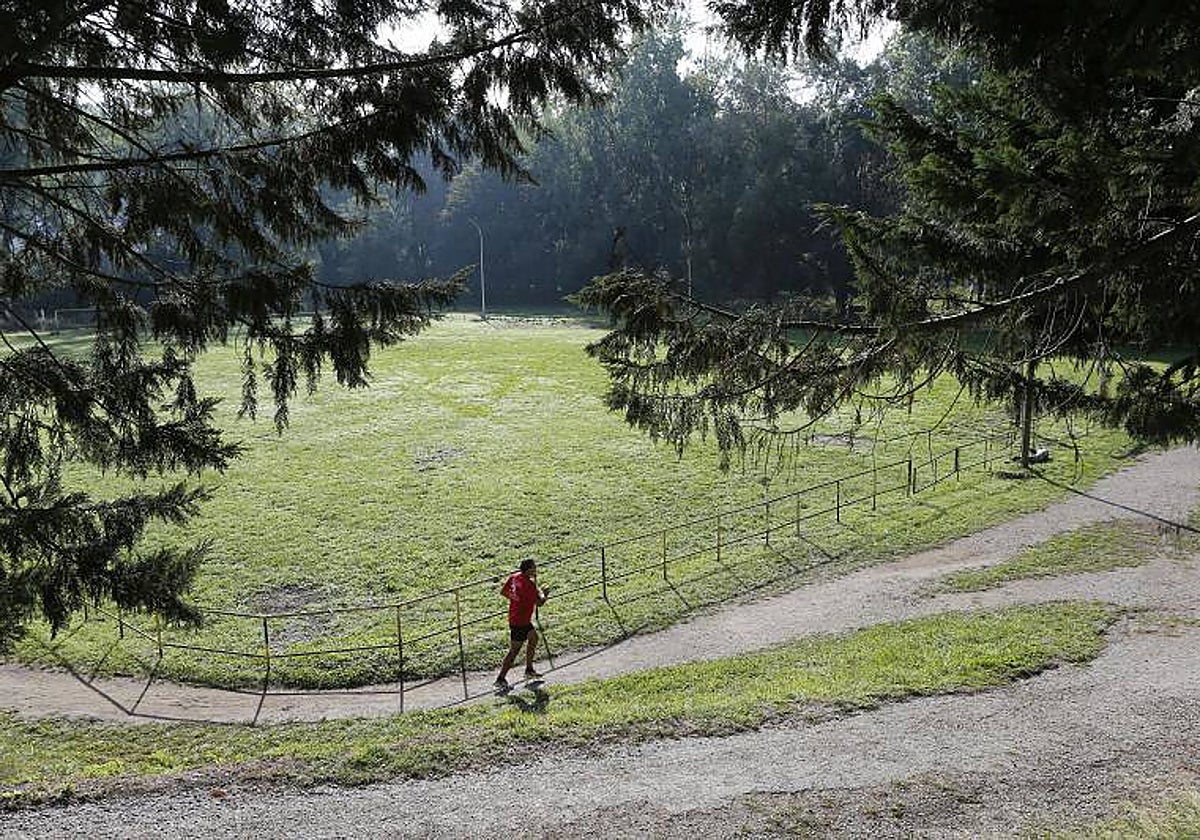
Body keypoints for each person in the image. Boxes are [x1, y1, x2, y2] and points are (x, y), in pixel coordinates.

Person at [494, 558, 549, 691]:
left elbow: (504, 592)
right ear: (529, 569)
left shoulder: (514, 577)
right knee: (514, 651)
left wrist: (516, 600)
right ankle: (500, 679)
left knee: (534, 638)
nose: (536, 569)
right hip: (521, 622)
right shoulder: (528, 585)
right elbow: (539, 603)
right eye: (534, 568)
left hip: (517, 618)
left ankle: (529, 669)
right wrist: (546, 594)